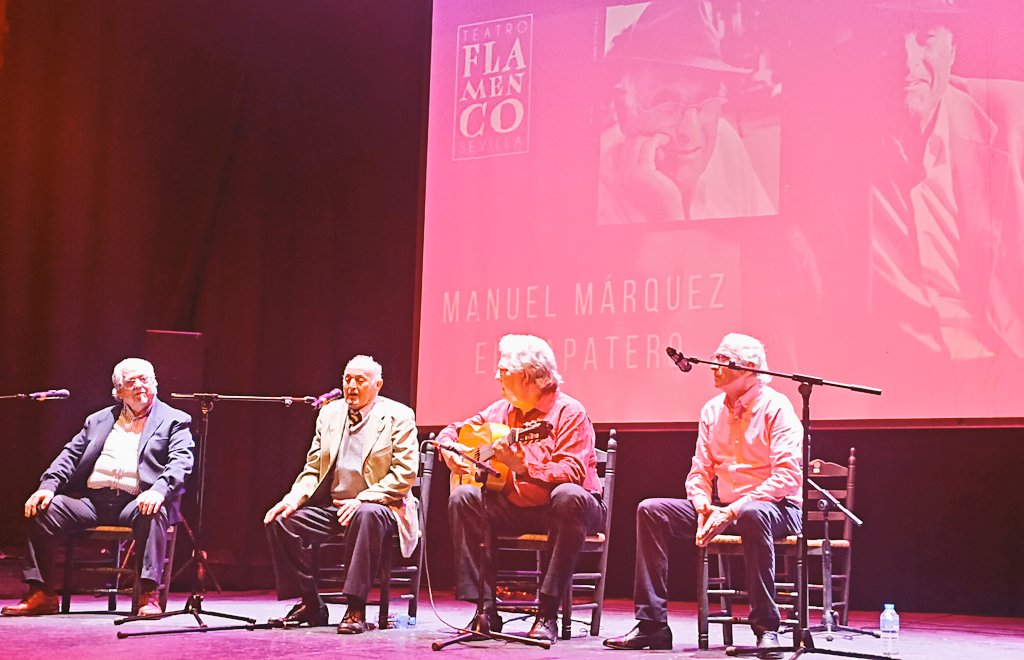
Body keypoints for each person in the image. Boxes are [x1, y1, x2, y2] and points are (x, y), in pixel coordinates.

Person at [604, 333, 801, 658]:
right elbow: (699, 471)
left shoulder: (777, 408)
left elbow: (787, 477)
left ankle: (767, 629)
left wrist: (734, 509)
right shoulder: (711, 411)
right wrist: (702, 506)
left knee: (752, 513)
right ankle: (652, 625)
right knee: (651, 510)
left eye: (722, 359)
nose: (712, 366)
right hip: (725, 506)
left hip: (777, 509)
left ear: (749, 368)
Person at [869, 0, 1024, 360]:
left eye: (925, 38)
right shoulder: (844, 146)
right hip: (906, 382)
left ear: (952, 49)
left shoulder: (1013, 120)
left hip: (1009, 369)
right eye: (892, 41)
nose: (907, 62)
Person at [438, 333, 605, 644]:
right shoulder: (501, 411)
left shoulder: (569, 412)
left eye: (503, 370)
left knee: (568, 496)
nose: (496, 376)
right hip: (519, 506)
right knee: (464, 497)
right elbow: (454, 431)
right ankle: (485, 609)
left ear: (526, 375)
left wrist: (525, 468)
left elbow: (573, 471)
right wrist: (449, 449)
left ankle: (547, 612)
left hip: (572, 510)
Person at [1, 358, 194, 617]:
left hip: (136, 501)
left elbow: (181, 461)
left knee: (152, 512)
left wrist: (159, 490)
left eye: (144, 379)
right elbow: (69, 456)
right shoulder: (98, 420)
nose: (139, 385)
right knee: (42, 509)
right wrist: (47, 486)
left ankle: (147, 596)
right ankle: (42, 594)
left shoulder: (174, 420)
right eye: (131, 381)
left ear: (155, 384)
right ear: (119, 391)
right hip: (94, 502)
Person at [264, 355, 419, 634]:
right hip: (335, 506)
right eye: (348, 379)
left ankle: (355, 607)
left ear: (378, 385)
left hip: (381, 505)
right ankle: (311, 603)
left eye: (360, 380)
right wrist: (292, 499)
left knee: (366, 514)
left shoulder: (399, 415)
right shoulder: (330, 414)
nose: (352, 386)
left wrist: (363, 499)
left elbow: (404, 475)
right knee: (280, 521)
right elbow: (313, 469)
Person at [598, 0, 777, 223]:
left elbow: (768, 244)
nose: (690, 131)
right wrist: (665, 220)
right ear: (625, 112)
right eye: (667, 103)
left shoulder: (725, 141)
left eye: (705, 100)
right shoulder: (593, 203)